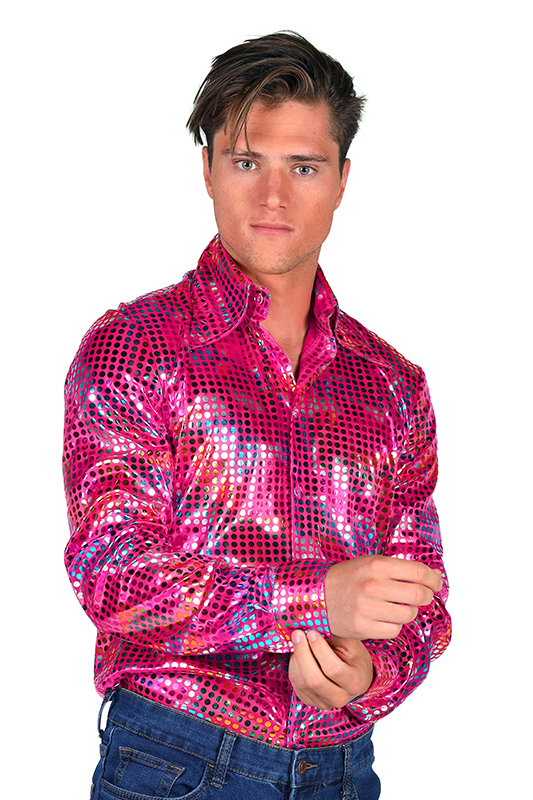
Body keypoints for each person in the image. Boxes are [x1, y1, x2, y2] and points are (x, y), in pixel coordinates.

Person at [63, 31, 451, 800]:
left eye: (302, 167)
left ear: (340, 180)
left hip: (342, 767)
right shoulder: (135, 346)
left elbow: (424, 600)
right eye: (247, 162)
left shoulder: (391, 385)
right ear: (208, 169)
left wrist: (366, 675)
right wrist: (316, 600)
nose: (273, 195)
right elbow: (110, 573)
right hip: (177, 755)